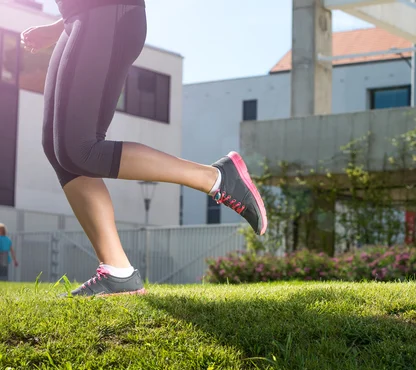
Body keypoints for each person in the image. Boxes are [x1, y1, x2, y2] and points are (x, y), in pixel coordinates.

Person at [20, 0, 267, 297]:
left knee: (78, 149)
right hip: (79, 17)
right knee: (59, 148)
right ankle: (117, 272)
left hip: (107, 13)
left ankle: (216, 178)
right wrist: (59, 23)